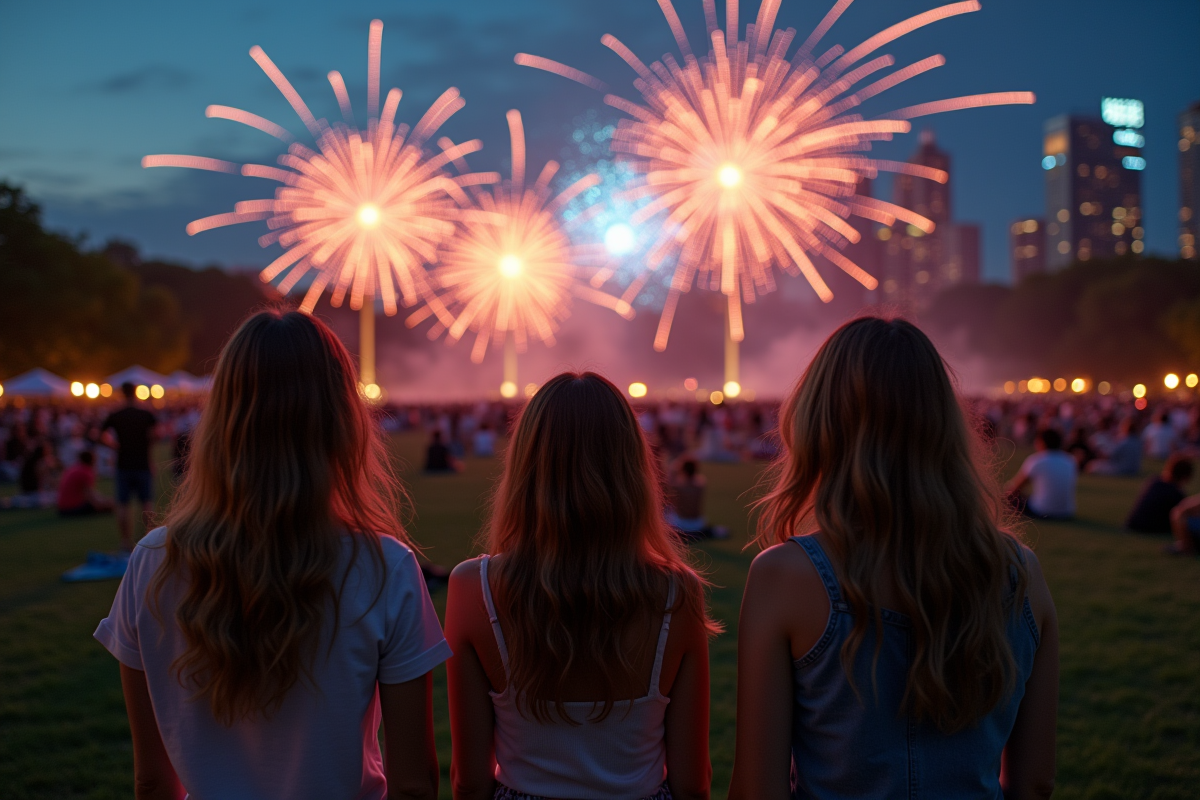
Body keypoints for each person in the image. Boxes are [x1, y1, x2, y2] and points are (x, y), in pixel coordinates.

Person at [94, 311, 450, 800]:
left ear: (221, 416)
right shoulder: (385, 568)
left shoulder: (153, 562)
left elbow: (152, 780)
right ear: (343, 419)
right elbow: (415, 783)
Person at [728, 317, 1058, 800]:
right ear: (944, 424)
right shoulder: (1019, 571)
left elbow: (758, 788)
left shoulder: (785, 576)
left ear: (820, 420)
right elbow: (1034, 782)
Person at [445, 372, 718, 800]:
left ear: (525, 465)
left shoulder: (473, 587)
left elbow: (469, 780)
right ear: (631, 467)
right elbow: (692, 782)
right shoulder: (675, 594)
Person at [101, 382, 158, 550]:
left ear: (122, 393)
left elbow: (100, 434)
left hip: (123, 463)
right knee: (146, 502)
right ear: (136, 393)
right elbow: (154, 436)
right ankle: (149, 538)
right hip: (142, 463)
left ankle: (125, 541)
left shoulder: (116, 414)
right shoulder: (146, 414)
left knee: (123, 504)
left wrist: (114, 446)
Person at [1006, 428, 1078, 520]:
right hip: (1066, 512)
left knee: (1010, 498)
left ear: (1042, 442)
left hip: (1042, 511)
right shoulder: (1070, 460)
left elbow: (1015, 488)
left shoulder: (1037, 460)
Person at [1126, 453, 1193, 533]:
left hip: (1133, 524)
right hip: (1151, 528)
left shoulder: (1154, 482)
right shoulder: (1175, 494)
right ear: (1185, 476)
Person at [666, 456, 728, 541]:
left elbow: (669, 481)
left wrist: (674, 468)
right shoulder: (701, 483)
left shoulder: (677, 486)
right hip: (698, 522)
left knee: (665, 511)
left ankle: (683, 535)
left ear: (683, 470)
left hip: (681, 523)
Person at [57, 450, 113, 516]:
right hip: (71, 508)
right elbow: (92, 497)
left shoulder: (74, 468)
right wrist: (108, 503)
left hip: (62, 508)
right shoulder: (86, 472)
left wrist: (104, 500)